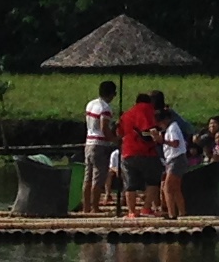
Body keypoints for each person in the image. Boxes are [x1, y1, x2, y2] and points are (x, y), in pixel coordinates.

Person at [116, 87, 164, 216]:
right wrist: (159, 139)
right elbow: (150, 128)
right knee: (153, 180)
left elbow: (119, 133)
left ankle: (131, 211)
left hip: (127, 152)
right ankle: (146, 207)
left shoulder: (126, 114)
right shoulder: (146, 109)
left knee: (130, 183)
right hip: (145, 151)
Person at [81, 77, 120, 213]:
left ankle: (86, 206)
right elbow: (104, 127)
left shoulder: (91, 104)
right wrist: (114, 139)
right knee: (98, 177)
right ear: (111, 94)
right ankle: (95, 207)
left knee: (88, 176)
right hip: (99, 144)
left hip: (88, 142)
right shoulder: (105, 108)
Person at [157, 95, 192, 220]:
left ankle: (172, 213)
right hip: (177, 159)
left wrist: (162, 141)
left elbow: (175, 143)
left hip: (175, 159)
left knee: (168, 188)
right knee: (176, 188)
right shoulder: (174, 127)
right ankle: (182, 212)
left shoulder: (172, 129)